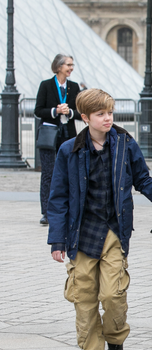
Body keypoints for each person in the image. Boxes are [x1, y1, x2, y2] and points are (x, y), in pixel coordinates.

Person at [47, 88, 152, 350]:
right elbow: (58, 198)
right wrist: (57, 241)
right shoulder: (69, 150)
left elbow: (142, 179)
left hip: (113, 232)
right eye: (100, 114)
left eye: (110, 112)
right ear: (85, 118)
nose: (108, 118)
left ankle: (115, 345)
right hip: (80, 234)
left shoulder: (124, 143)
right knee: (83, 300)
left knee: (112, 296)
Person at [35, 54, 82, 225]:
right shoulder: (46, 85)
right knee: (48, 172)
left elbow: (80, 113)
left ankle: (68, 210)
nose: (71, 68)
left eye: (72, 64)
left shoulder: (74, 87)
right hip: (50, 134)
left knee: (70, 172)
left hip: (68, 134)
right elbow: (38, 110)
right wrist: (55, 111)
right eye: (68, 65)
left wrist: (69, 112)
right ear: (59, 66)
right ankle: (47, 212)